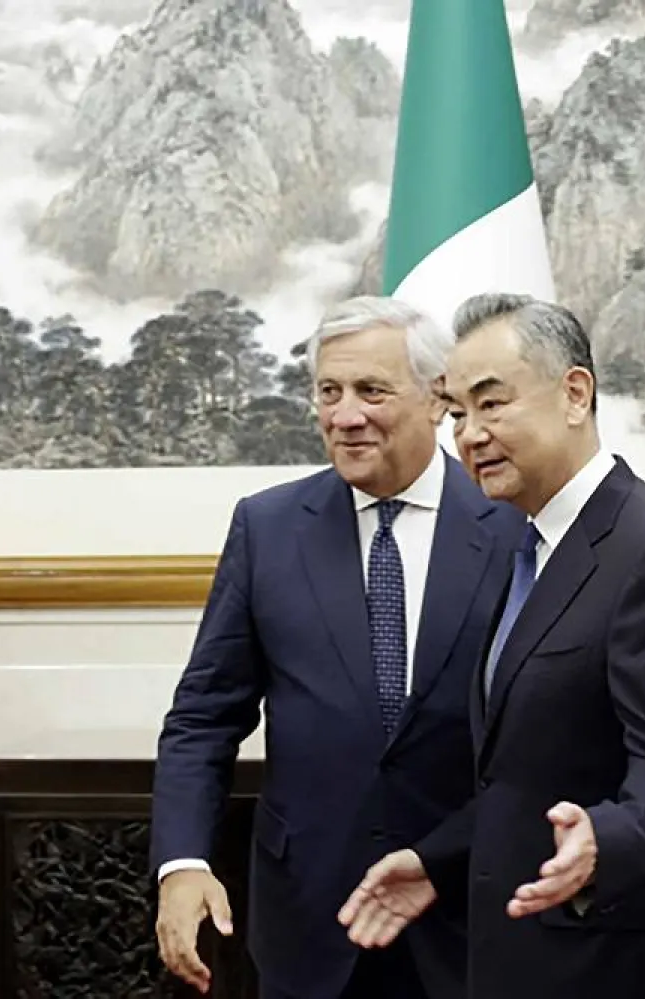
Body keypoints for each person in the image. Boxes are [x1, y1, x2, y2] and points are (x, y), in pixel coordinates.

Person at [338, 293, 645, 998]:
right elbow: (527, 772)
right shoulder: (524, 545)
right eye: (458, 412)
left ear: (574, 393)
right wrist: (438, 860)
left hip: (616, 963)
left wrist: (604, 838)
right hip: (520, 953)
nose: (469, 435)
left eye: (492, 404)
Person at [149, 295, 528, 999]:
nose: (345, 415)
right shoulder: (267, 528)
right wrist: (181, 861)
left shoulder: (513, 527)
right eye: (329, 391)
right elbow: (203, 715)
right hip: (309, 922)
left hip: (469, 915)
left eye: (371, 391)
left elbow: (544, 733)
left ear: (436, 398)